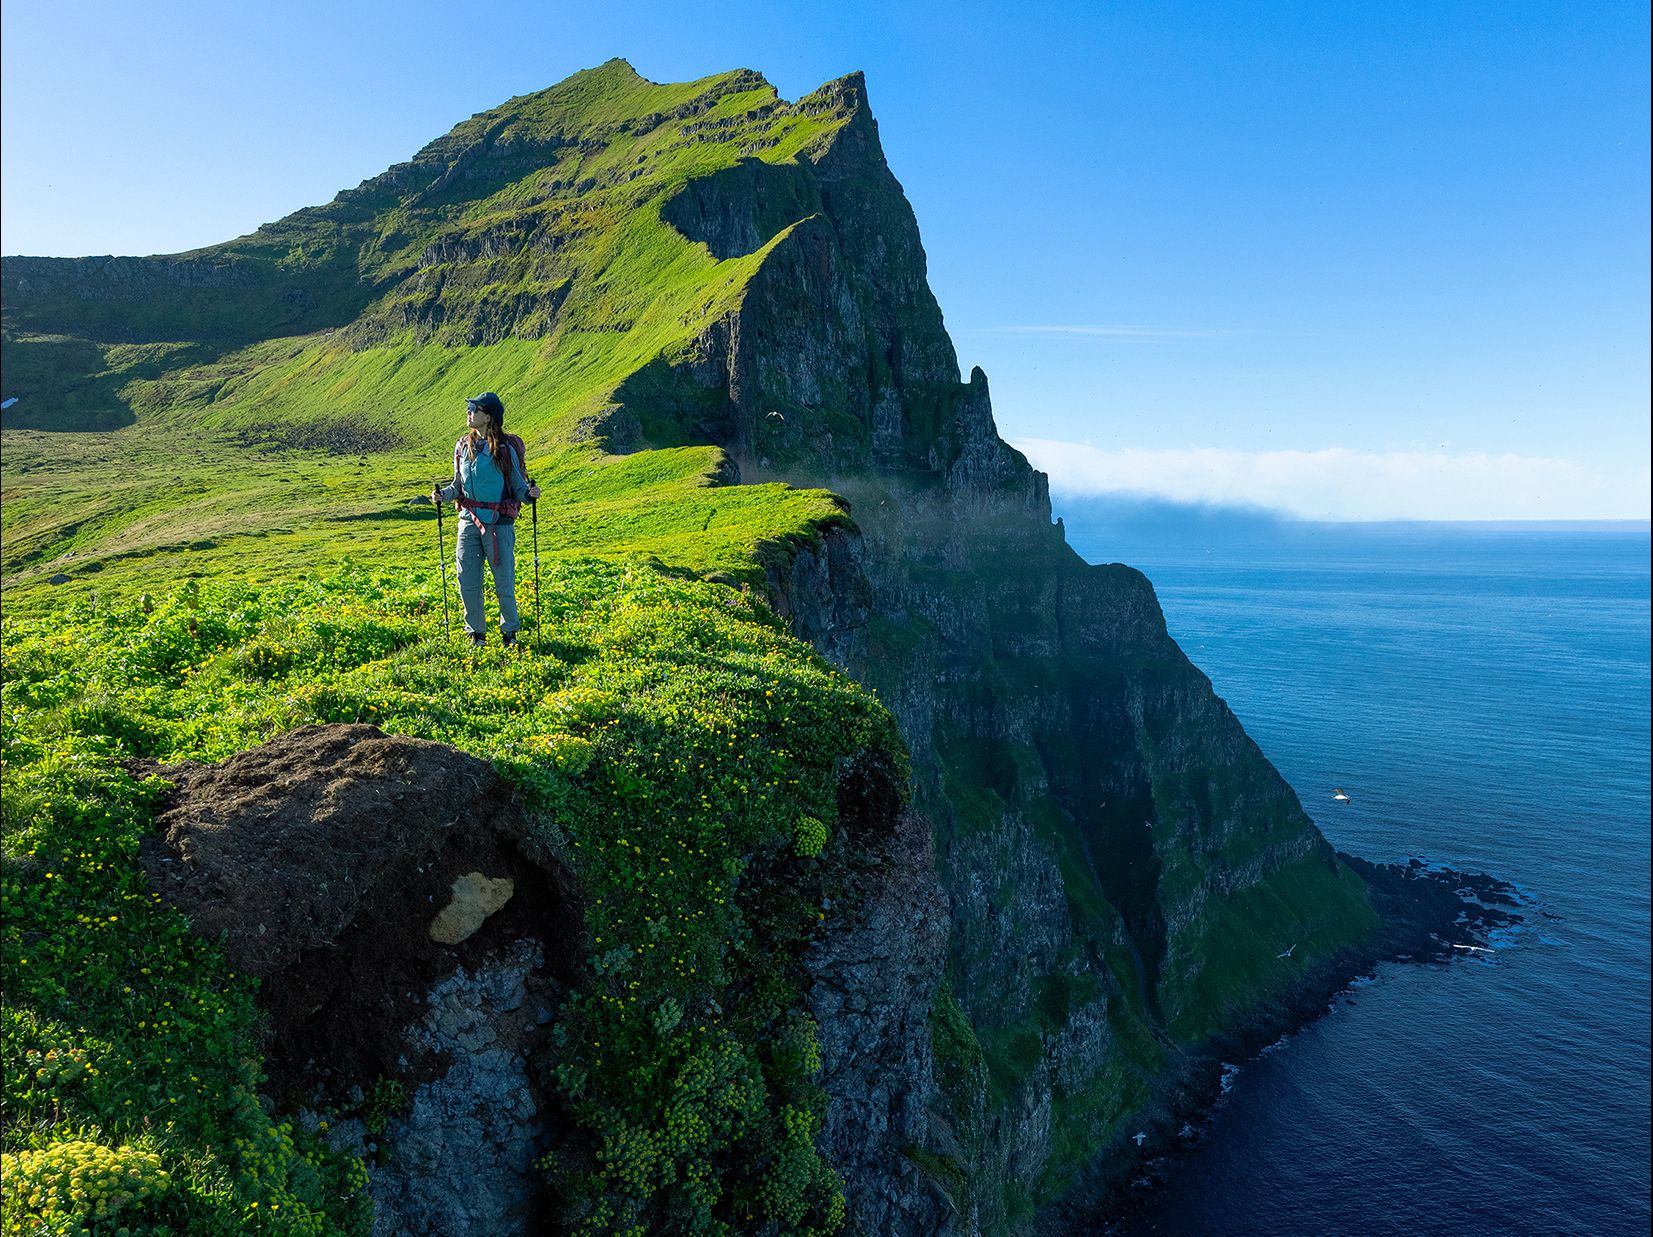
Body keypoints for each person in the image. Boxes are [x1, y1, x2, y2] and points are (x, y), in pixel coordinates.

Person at [432, 392, 540, 647]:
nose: (468, 412)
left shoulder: (505, 449)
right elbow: (457, 486)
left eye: (474, 408)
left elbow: (517, 484)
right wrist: (442, 495)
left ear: (488, 416)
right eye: (469, 407)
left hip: (498, 522)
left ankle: (509, 633)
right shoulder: (462, 446)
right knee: (466, 578)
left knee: (503, 580)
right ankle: (476, 634)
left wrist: (529, 494)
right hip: (468, 521)